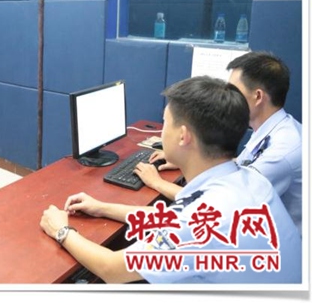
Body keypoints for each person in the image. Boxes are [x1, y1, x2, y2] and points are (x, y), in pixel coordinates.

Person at [40, 76, 301, 284]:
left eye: (165, 122)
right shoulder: (249, 179)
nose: (162, 130)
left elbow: (112, 270)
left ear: (183, 136)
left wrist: (61, 231)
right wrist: (102, 208)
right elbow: (176, 218)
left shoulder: (202, 220)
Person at [136, 51, 302, 235]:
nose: (227, 95)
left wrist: (157, 182)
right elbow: (242, 166)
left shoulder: (282, 151)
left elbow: (227, 201)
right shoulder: (273, 128)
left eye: (233, 90)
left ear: (258, 96)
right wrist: (190, 155)